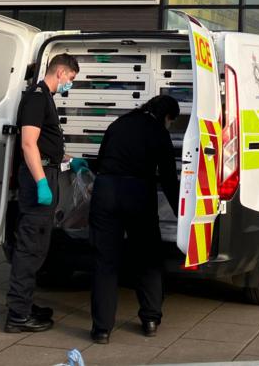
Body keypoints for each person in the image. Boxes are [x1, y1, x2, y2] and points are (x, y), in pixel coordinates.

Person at [89, 95, 181, 344]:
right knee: (148, 256)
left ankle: (101, 329)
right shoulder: (158, 132)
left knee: (105, 262)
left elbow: (99, 162)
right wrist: (181, 213)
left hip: (105, 192)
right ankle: (150, 319)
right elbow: (169, 178)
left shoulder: (118, 124)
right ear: (167, 116)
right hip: (138, 194)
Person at [4, 53, 86, 333]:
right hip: (37, 181)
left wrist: (68, 159)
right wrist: (40, 182)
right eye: (71, 79)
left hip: (47, 173)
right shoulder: (37, 98)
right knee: (30, 248)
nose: (70, 85)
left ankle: (24, 305)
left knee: (38, 247)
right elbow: (29, 144)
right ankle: (18, 315)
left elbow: (46, 147)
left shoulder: (45, 98)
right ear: (61, 72)